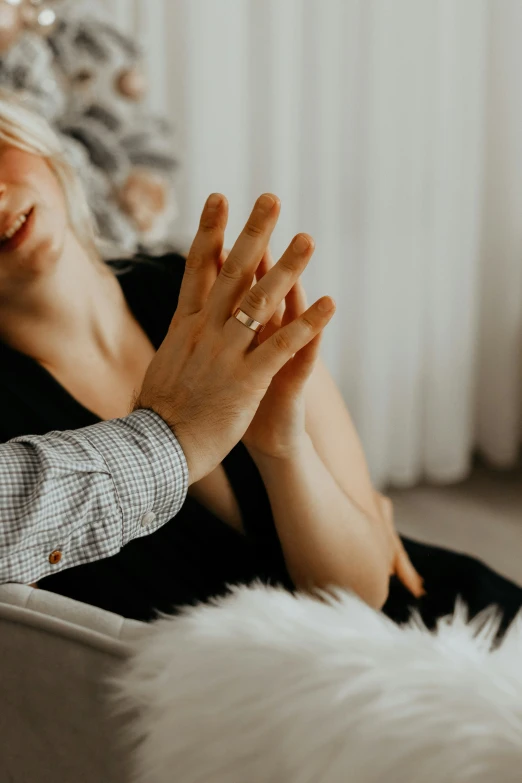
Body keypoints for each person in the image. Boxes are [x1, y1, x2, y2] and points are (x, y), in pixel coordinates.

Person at [0, 91, 520, 637]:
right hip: (246, 696)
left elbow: (364, 592)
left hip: (434, 630)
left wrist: (283, 446)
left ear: (43, 148)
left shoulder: (206, 293)